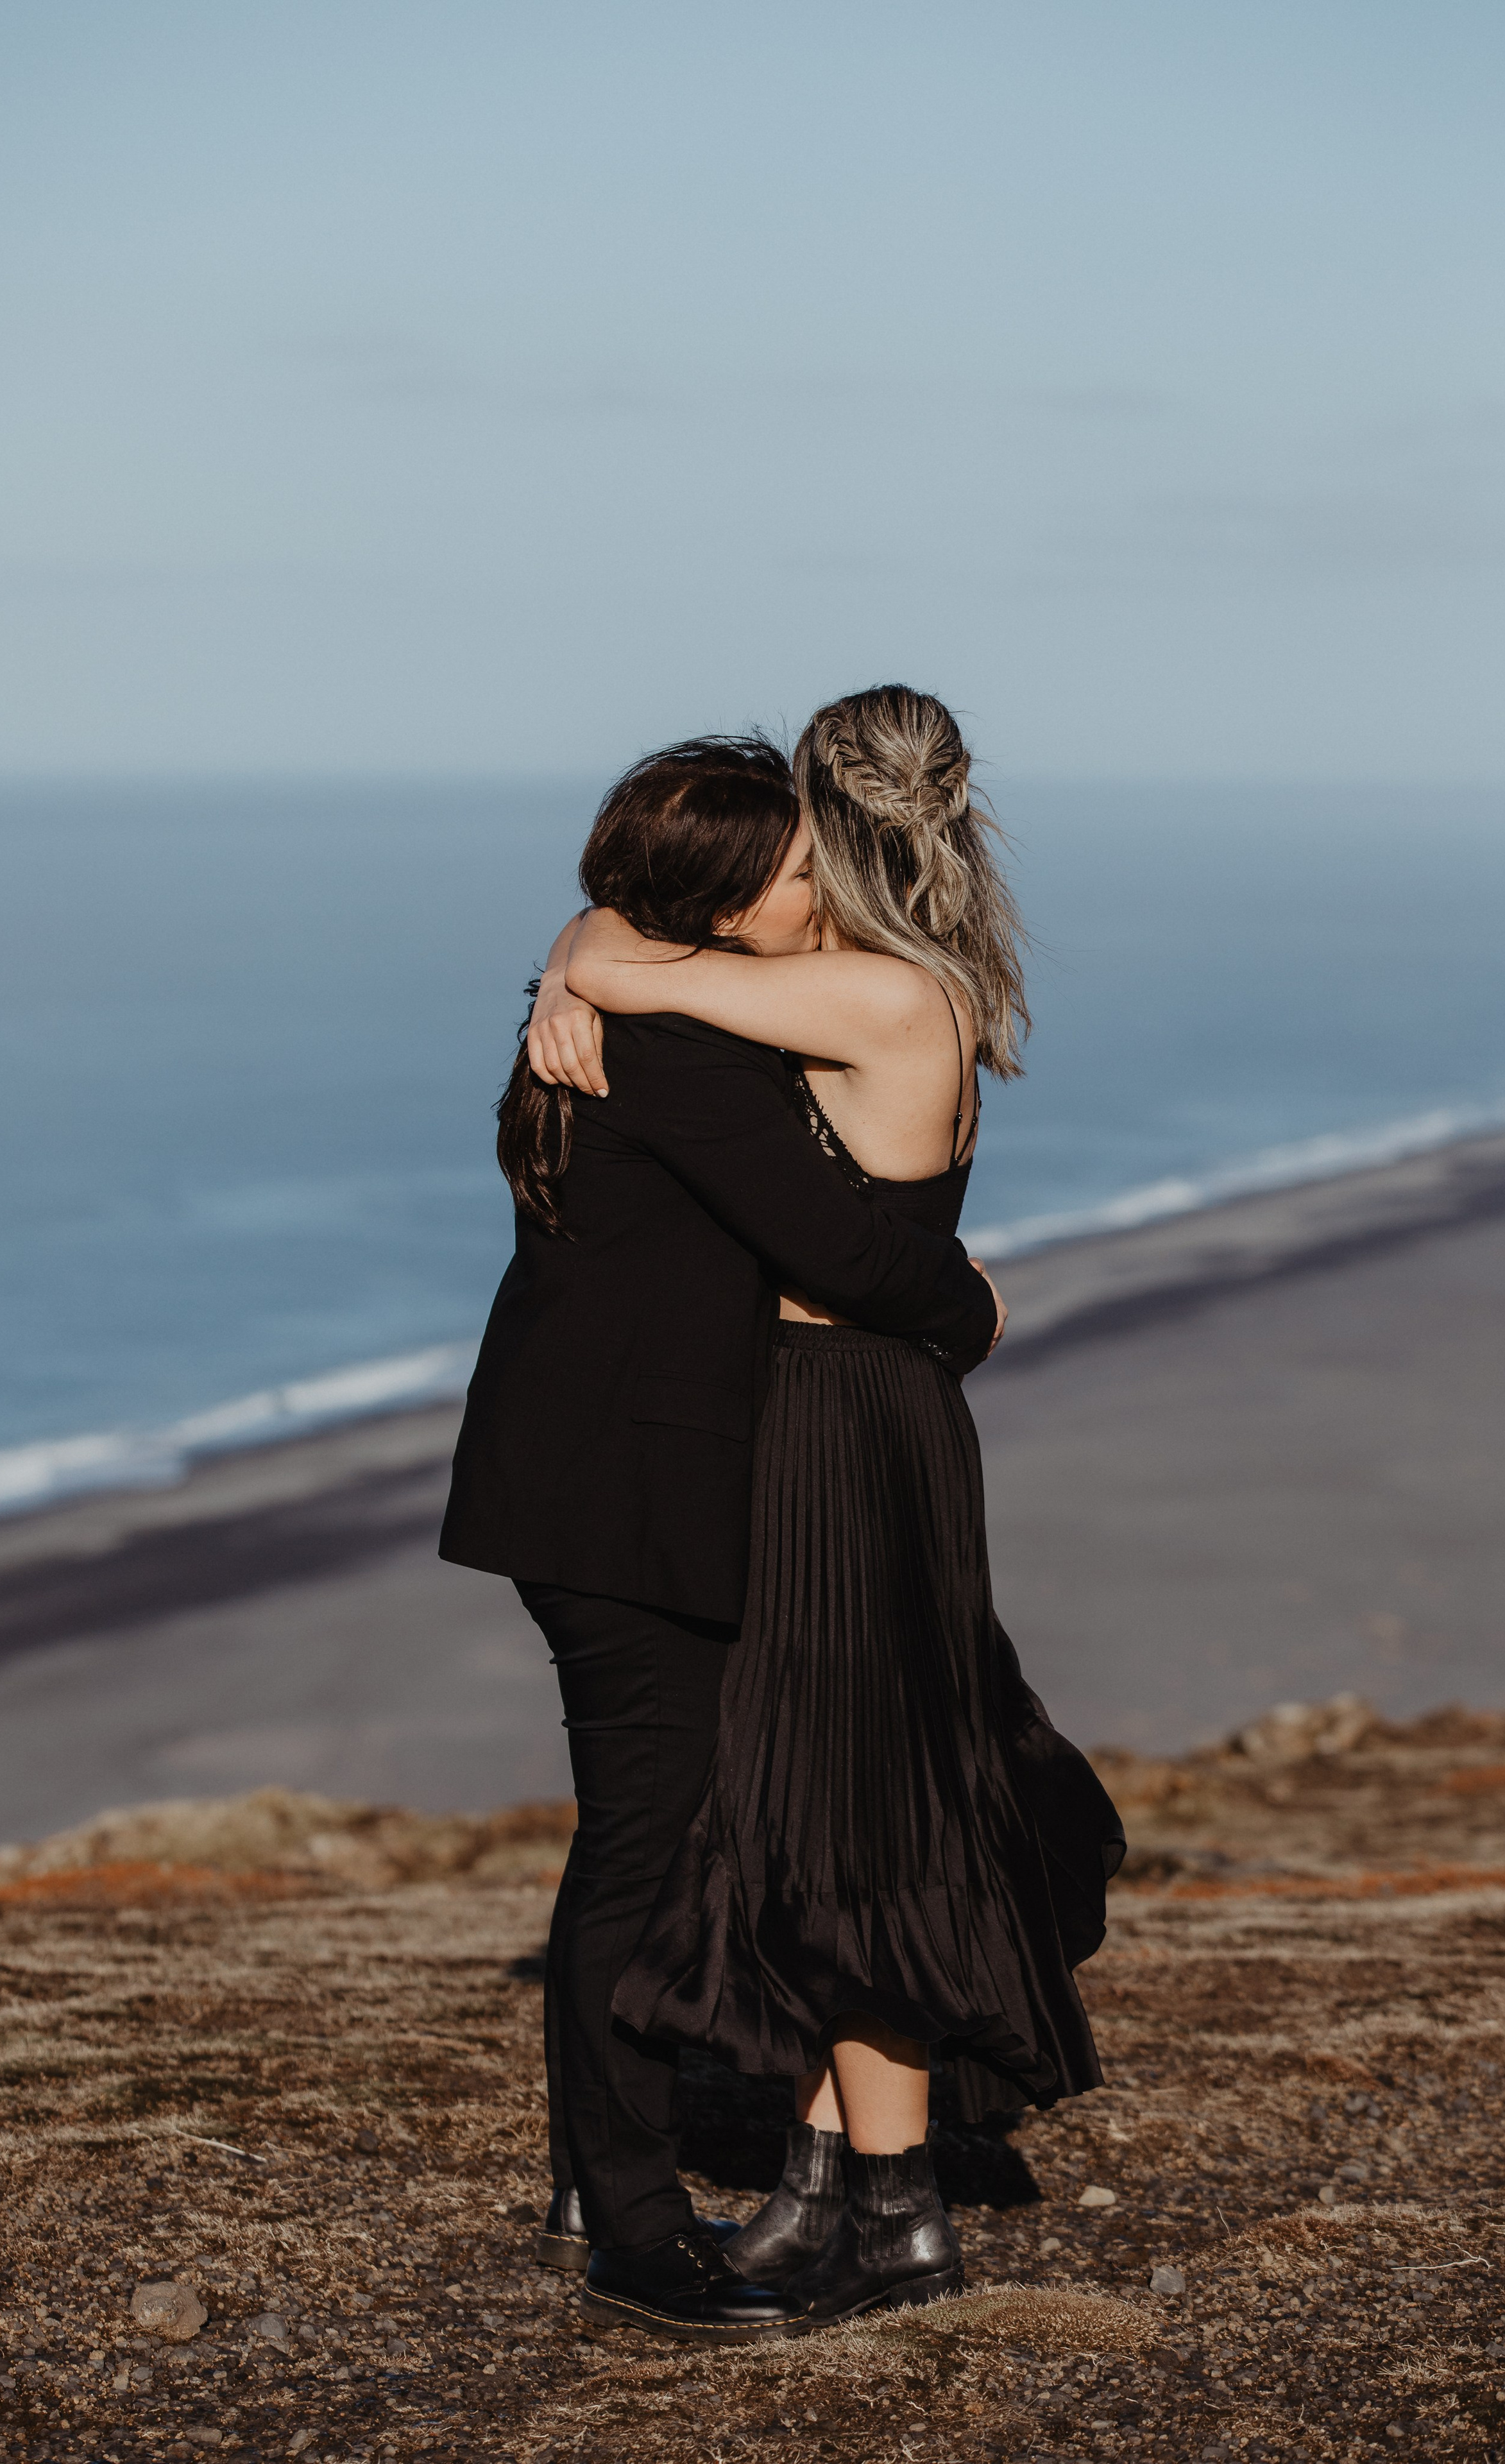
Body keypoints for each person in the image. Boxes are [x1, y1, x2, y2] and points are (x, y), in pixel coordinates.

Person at [541, 686, 1125, 2325]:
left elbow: (621, 954)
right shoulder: (907, 979)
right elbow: (638, 937)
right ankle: (854, 2192)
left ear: (827, 831)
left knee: (840, 1811)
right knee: (834, 1801)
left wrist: (570, 970)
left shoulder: (860, 993)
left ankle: (875, 2202)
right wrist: (587, 950)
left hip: (830, 1419)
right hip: (865, 1416)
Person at [439, 734, 1005, 2345]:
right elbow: (839, 1248)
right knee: (645, 1840)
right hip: (621, 1495)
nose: (815, 887)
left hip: (595, 1478)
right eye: (789, 868)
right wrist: (970, 1305)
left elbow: (614, 945)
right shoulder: (678, 1053)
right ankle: (628, 2224)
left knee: (657, 1829)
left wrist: (580, 956)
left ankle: (588, 2177)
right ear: (716, 898)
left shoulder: (634, 1000)